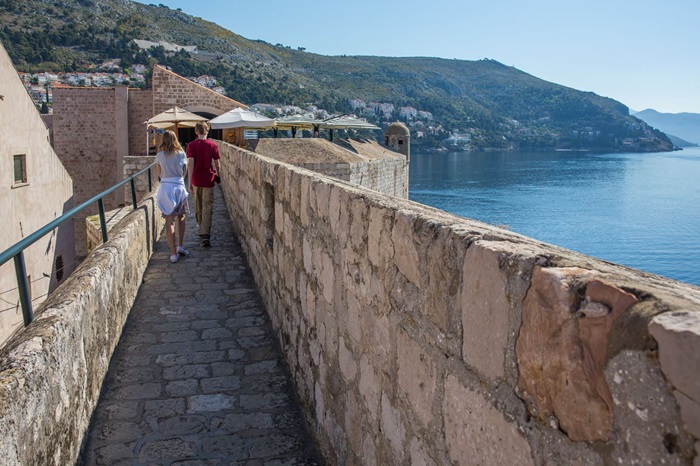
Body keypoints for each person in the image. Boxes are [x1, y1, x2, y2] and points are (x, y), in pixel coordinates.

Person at [155, 130, 190, 263]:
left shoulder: (160, 155)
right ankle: (180, 245)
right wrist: (178, 178)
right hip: (178, 187)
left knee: (169, 221)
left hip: (165, 188)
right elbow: (184, 172)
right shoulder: (181, 154)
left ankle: (173, 253)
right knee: (181, 217)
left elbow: (159, 172)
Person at [187, 121, 220, 247]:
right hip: (209, 180)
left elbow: (190, 164)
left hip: (196, 179)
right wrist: (218, 174)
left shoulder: (191, 146)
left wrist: (189, 182)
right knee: (208, 206)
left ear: (196, 132)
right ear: (207, 131)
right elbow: (217, 163)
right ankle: (206, 232)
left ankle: (201, 229)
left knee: (198, 206)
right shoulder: (212, 145)